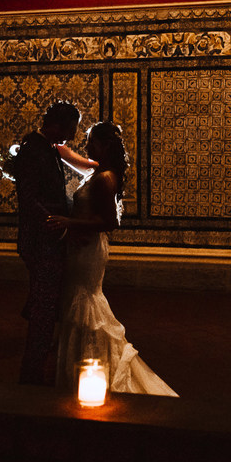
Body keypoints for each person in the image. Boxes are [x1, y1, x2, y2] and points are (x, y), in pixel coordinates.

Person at [44, 122, 178, 397]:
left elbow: (109, 222)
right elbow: (67, 155)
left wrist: (69, 222)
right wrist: (50, 139)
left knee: (87, 301)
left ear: (105, 146)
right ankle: (79, 367)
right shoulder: (96, 170)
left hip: (89, 249)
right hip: (80, 245)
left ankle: (94, 364)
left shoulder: (105, 177)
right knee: (77, 300)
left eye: (92, 141)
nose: (87, 145)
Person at [12, 101, 94, 385]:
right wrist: (56, 224)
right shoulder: (33, 150)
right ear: (57, 124)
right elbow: (29, 197)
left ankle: (39, 353)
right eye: (71, 129)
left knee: (45, 300)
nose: (72, 136)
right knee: (45, 304)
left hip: (47, 238)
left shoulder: (46, 149)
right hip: (41, 240)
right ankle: (33, 365)